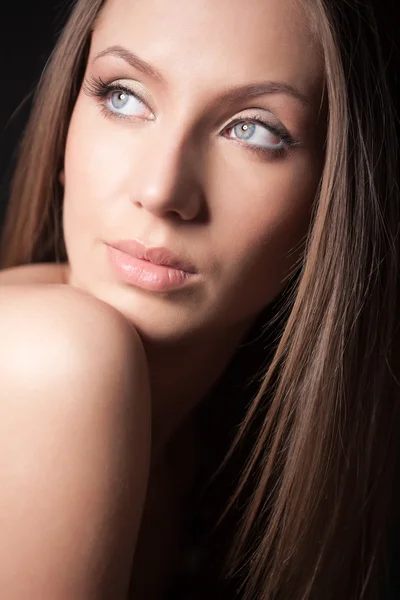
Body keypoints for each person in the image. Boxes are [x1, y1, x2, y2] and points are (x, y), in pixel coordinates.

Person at [0, 0, 399, 598]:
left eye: (253, 130)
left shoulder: (218, 445)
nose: (162, 191)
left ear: (331, 202)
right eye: (124, 95)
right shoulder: (56, 361)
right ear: (64, 130)